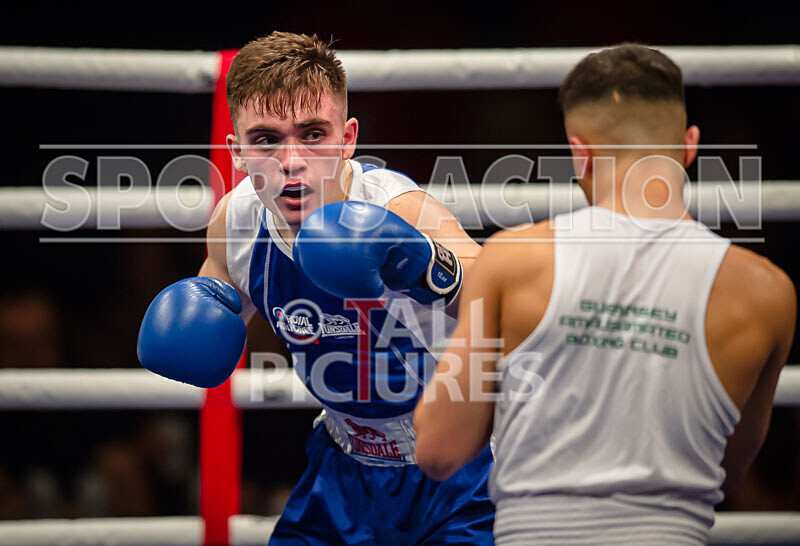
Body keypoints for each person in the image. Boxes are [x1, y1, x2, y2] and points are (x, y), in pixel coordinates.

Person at [413, 43, 796, 544]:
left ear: (580, 152)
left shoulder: (513, 260)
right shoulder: (767, 293)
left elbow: (440, 451)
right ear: (690, 145)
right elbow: (725, 471)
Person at [137, 31, 494, 544]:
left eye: (312, 134)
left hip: (459, 467)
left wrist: (431, 268)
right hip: (344, 467)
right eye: (266, 139)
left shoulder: (399, 209)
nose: (291, 161)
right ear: (236, 150)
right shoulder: (235, 223)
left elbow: (505, 300)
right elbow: (212, 317)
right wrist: (194, 321)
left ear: (347, 139)